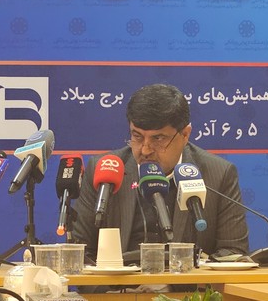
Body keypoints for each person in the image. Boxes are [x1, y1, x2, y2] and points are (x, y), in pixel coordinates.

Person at [70, 83, 249, 261]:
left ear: (185, 135)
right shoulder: (104, 171)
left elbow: (233, 253)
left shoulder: (218, 174)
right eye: (137, 136)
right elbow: (80, 252)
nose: (145, 150)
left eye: (158, 138)